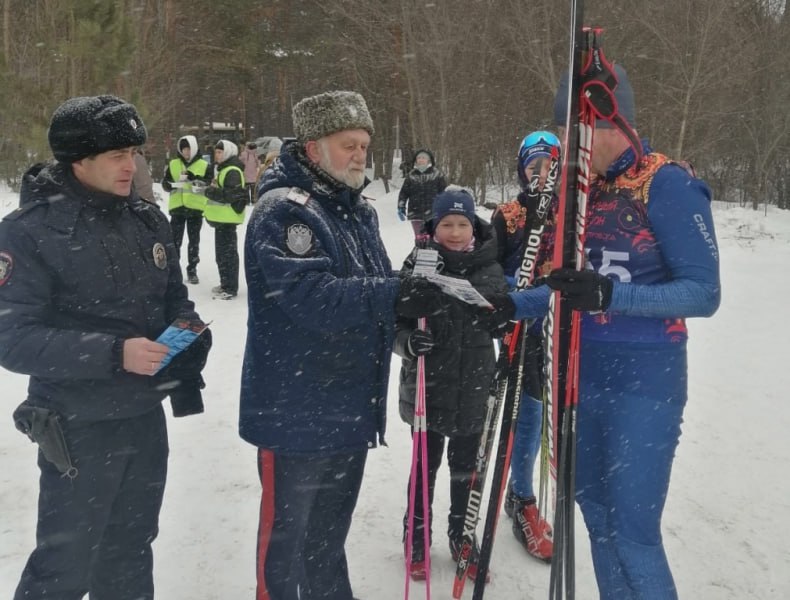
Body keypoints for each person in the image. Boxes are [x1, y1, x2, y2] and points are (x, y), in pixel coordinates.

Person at [487, 64, 721, 599]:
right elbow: (562, 285)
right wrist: (509, 306)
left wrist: (614, 296)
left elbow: (703, 293)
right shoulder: (578, 192)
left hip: (645, 381)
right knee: (596, 518)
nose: (568, 142)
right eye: (565, 130)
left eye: (575, 129)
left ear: (615, 121)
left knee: (635, 534)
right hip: (580, 376)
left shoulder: (667, 183)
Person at [0, 95, 212, 600]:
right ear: (79, 161)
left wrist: (190, 335)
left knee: (131, 551)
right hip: (76, 424)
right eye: (117, 154)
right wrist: (113, 352)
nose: (131, 165)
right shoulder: (28, 232)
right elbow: (12, 337)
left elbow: (175, 303)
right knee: (66, 563)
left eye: (134, 152)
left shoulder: (146, 220)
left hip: (143, 418)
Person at [240, 90, 441, 600]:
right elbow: (314, 299)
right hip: (295, 410)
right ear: (313, 149)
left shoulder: (359, 212)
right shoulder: (284, 212)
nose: (360, 155)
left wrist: (405, 324)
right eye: (348, 144)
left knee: (327, 541)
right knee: (285, 545)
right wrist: (396, 291)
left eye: (365, 145)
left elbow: (368, 294)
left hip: (349, 407)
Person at [395, 187, 508, 582]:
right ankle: (417, 534)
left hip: (474, 389)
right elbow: (397, 322)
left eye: (462, 223)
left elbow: (504, 317)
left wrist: (501, 321)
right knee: (424, 467)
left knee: (467, 471)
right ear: (434, 226)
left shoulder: (490, 267)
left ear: (473, 226)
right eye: (447, 224)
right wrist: (408, 343)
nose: (455, 232)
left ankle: (462, 534)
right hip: (427, 386)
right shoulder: (419, 263)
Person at [490, 131, 558, 562]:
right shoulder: (510, 214)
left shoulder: (573, 215)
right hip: (526, 328)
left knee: (561, 414)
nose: (540, 173)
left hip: (568, 329)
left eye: (549, 165)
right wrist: (515, 289)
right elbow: (489, 270)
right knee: (527, 411)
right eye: (533, 165)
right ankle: (522, 496)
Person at [162, 134, 211, 284]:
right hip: (178, 208)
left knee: (193, 242)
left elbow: (208, 185)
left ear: (194, 148)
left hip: (195, 209)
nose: (186, 153)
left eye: (188, 149)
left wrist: (193, 177)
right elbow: (165, 183)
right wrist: (170, 185)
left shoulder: (204, 165)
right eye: (183, 149)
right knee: (175, 242)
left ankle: (192, 270)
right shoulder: (174, 164)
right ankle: (174, 269)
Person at [204, 139, 247, 299]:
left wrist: (209, 192)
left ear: (228, 152)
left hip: (228, 221)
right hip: (221, 221)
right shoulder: (224, 169)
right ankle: (225, 283)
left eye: (220, 152)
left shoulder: (232, 171)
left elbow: (231, 195)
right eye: (216, 151)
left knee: (228, 255)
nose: (217, 155)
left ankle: (230, 288)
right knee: (221, 255)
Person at [397, 148, 447, 240]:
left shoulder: (437, 174)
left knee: (433, 238)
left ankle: (434, 253)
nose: (421, 159)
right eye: (419, 158)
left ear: (429, 160)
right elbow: (404, 193)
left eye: (423, 157)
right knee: (419, 238)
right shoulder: (411, 175)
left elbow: (443, 193)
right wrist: (401, 206)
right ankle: (420, 252)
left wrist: (446, 208)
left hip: (433, 213)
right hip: (415, 213)